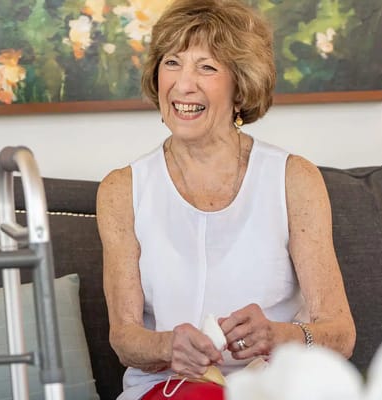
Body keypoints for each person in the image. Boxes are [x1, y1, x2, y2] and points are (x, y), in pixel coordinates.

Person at [96, 1, 356, 399]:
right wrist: (168, 346)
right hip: (168, 389)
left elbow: (340, 335)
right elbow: (124, 338)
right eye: (172, 63)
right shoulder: (120, 190)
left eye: (207, 67)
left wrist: (277, 335)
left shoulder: (294, 179)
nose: (183, 84)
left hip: (274, 387)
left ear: (241, 86)